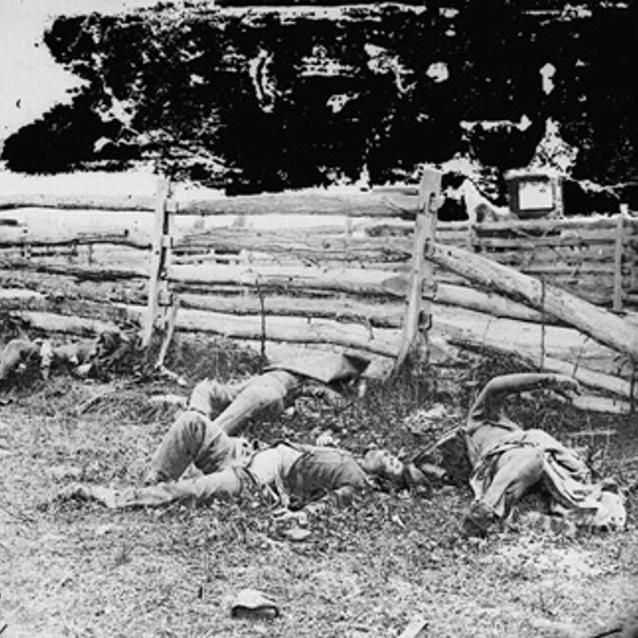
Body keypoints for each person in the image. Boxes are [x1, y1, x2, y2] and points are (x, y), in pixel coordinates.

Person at [409, 373, 627, 535]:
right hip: (507, 460)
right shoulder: (478, 423)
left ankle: (579, 520)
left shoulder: (510, 425)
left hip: (540, 464)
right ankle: (483, 513)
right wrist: (549, 380)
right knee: (530, 457)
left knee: (593, 496)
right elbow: (495, 386)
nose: (498, 404)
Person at [58, 411, 405, 510]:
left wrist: (297, 516)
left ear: (384, 481)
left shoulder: (358, 480)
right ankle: (152, 484)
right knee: (191, 422)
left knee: (189, 490)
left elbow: (329, 505)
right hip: (243, 453)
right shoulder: (346, 455)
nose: (389, 456)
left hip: (256, 481)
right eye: (392, 455)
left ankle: (114, 497)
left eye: (393, 465)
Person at [184, 351, 371, 436]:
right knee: (205, 387)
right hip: (244, 387)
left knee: (253, 397)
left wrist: (354, 393)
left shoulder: (311, 381)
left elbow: (340, 403)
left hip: (268, 394)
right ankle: (192, 426)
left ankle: (204, 440)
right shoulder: (283, 366)